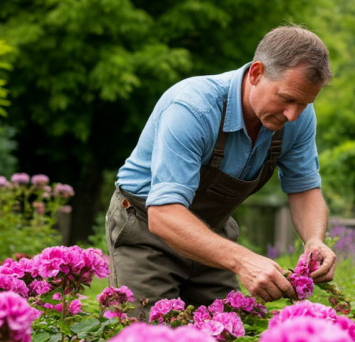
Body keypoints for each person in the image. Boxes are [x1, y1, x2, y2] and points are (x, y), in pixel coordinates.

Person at [106, 26, 337, 319]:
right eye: (287, 98)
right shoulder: (192, 107)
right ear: (256, 73)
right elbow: (163, 215)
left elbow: (304, 189)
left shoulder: (297, 119)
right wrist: (244, 261)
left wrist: (314, 240)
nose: (293, 114)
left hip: (212, 235)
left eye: (304, 104)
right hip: (146, 233)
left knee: (226, 338)